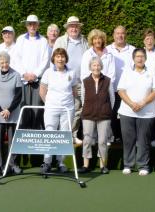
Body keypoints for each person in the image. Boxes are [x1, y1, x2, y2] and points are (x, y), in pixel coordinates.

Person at [118, 48, 155, 176]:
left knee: (144, 140)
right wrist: (131, 104)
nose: (140, 59)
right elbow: (121, 90)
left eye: (142, 56)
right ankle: (128, 165)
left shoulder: (152, 72)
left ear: (145, 58)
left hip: (146, 113)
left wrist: (142, 103)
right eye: (137, 56)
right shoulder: (126, 72)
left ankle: (143, 165)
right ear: (133, 58)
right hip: (127, 112)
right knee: (128, 140)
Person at [39, 48, 77, 173]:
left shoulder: (71, 72)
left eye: (62, 57)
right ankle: (47, 162)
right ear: (54, 58)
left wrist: (69, 103)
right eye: (58, 57)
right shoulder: (48, 72)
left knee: (64, 134)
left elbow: (74, 91)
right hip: (51, 108)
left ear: (66, 58)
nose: (60, 59)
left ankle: (60, 162)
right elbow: (42, 91)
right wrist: (49, 103)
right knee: (50, 133)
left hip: (67, 109)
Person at [53, 16, 89, 145]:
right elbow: (54, 60)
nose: (74, 28)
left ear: (79, 27)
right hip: (64, 82)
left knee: (78, 110)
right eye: (71, 26)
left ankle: (72, 135)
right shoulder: (60, 41)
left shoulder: (85, 41)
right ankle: (61, 135)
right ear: (67, 28)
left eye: (76, 26)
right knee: (63, 109)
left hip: (81, 82)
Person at [13, 14, 50, 130]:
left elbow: (45, 60)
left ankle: (36, 133)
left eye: (34, 24)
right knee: (22, 106)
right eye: (30, 24)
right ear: (26, 26)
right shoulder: (20, 39)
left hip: (37, 80)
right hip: (23, 79)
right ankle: (23, 133)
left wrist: (35, 74)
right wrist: (24, 73)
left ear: (38, 25)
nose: (32, 26)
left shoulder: (44, 41)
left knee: (37, 107)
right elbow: (16, 58)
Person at [0, 51, 23, 174]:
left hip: (12, 113)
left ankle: (13, 165)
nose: (4, 64)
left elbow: (18, 96)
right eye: (2, 62)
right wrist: (1, 111)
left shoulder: (16, 75)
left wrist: (9, 110)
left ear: (9, 62)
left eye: (6, 62)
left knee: (13, 141)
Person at [78, 57, 114, 174]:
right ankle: (86, 165)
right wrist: (89, 108)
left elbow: (112, 99)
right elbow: (83, 99)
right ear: (90, 67)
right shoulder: (85, 81)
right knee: (87, 139)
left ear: (101, 67)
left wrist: (106, 109)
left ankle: (103, 165)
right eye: (94, 65)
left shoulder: (108, 81)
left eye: (98, 65)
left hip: (104, 115)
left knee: (103, 141)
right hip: (88, 114)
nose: (96, 67)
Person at [107, 26, 135, 144]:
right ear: (113, 35)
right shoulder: (107, 49)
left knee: (126, 115)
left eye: (122, 33)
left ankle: (127, 138)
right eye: (117, 33)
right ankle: (114, 136)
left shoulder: (133, 50)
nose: (120, 36)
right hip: (111, 89)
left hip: (127, 90)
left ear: (126, 35)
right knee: (112, 114)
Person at [80, 29, 115, 99]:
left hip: (105, 90)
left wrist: (105, 86)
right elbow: (84, 74)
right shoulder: (87, 54)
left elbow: (112, 74)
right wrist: (93, 87)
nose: (97, 41)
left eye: (100, 38)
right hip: (90, 90)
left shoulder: (109, 55)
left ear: (103, 40)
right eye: (95, 39)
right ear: (92, 41)